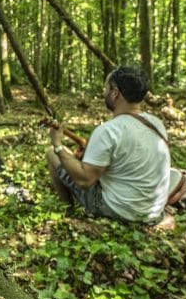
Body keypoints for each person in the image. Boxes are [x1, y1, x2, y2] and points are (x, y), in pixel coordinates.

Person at [46, 66, 170, 224]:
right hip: (154, 213)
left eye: (106, 88)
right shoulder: (157, 124)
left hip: (121, 212)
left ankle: (68, 212)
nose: (103, 92)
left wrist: (57, 144)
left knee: (52, 153)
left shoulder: (108, 131)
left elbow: (85, 181)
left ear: (115, 92)